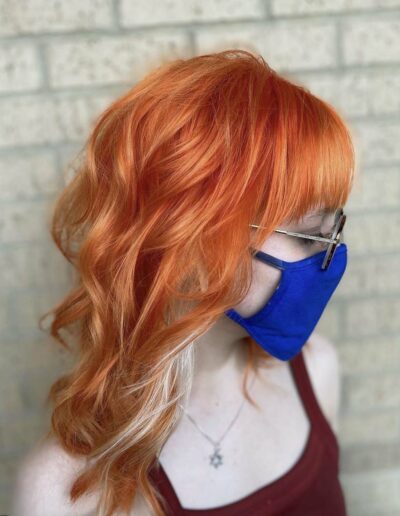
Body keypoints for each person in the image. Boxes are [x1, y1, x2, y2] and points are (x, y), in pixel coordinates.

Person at [11, 49, 355, 515]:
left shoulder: (318, 372)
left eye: (334, 231)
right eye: (311, 233)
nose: (330, 260)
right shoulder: (62, 493)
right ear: (193, 239)